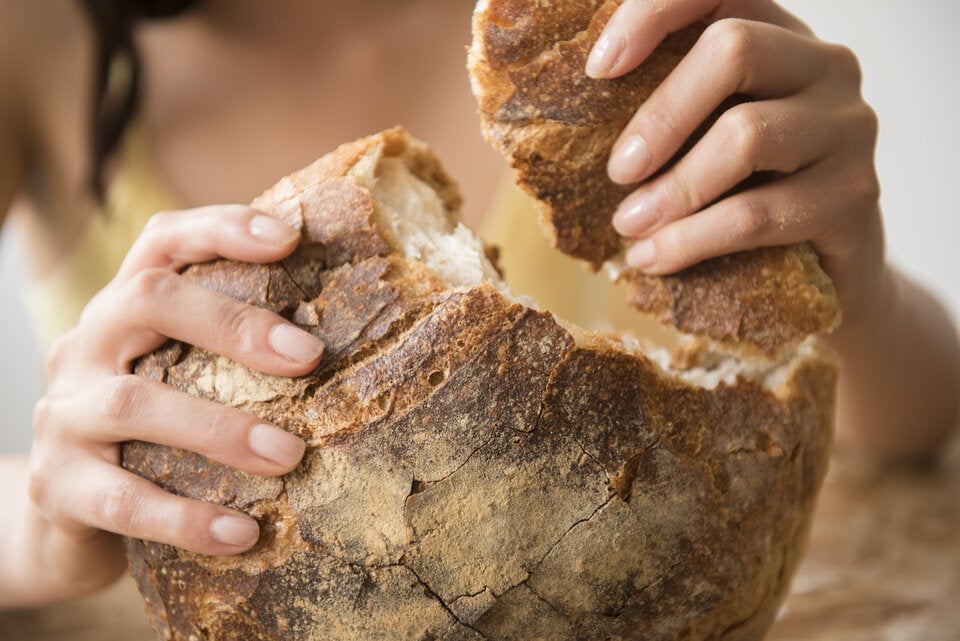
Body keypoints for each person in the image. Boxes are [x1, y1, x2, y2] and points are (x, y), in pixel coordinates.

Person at [0, 0, 957, 610]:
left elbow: (913, 431)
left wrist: (846, 276)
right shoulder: (38, 35)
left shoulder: (607, 26)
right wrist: (40, 528)